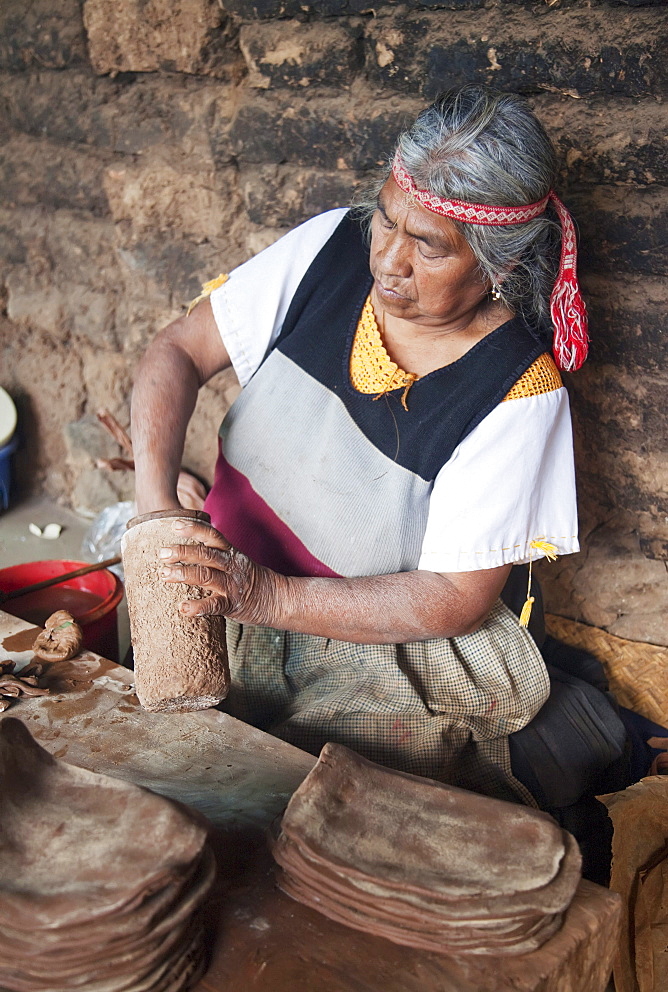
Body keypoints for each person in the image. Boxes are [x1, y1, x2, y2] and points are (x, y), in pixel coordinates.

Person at [131, 85, 604, 808]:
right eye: (387, 224)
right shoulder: (331, 247)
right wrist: (156, 505)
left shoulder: (517, 391)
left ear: (499, 265)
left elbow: (451, 600)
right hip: (219, 587)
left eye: (429, 248)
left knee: (302, 813)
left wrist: (268, 595)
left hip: (366, 652)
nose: (389, 262)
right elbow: (178, 351)